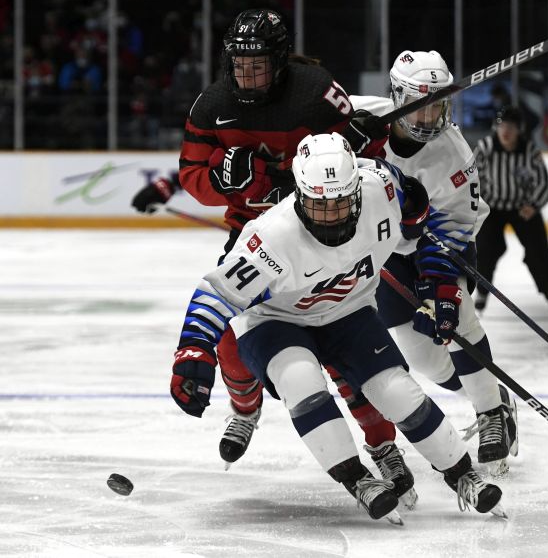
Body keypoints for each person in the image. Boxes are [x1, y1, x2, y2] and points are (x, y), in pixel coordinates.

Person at [130, 8, 414, 499]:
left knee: (341, 347)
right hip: (259, 241)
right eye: (240, 64)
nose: (248, 74)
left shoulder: (317, 90)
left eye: (258, 64)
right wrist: (224, 179)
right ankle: (245, 407)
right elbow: (195, 177)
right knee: (233, 343)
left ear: (280, 61)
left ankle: (382, 442)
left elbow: (364, 162)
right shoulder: (210, 105)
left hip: (330, 235)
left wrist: (369, 138)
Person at [169, 133, 504, 521]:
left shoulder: (383, 189)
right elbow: (216, 293)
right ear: (298, 194)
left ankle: (463, 474)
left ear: (358, 191)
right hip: (275, 321)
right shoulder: (272, 237)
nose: (331, 215)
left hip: (349, 310)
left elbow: (420, 218)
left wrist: (436, 277)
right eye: (318, 204)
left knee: (396, 390)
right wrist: (193, 348)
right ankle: (357, 478)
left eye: (341, 203)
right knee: (301, 381)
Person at [347, 50, 518, 473]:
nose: (428, 120)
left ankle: (491, 414)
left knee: (456, 316)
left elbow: (454, 232)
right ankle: (495, 394)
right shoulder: (363, 116)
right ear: (396, 97)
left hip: (439, 247)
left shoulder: (453, 156)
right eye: (419, 109)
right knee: (423, 358)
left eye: (437, 107)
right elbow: (309, 123)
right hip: (386, 252)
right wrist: (339, 132)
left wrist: (440, 291)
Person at [473, 105, 548, 316]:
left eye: (511, 127)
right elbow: (472, 180)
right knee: (485, 250)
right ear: (495, 127)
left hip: (522, 208)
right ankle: (481, 291)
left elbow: (543, 183)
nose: (505, 132)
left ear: (520, 130)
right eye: (502, 126)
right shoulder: (485, 147)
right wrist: (478, 204)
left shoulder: (530, 151)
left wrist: (534, 205)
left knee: (539, 252)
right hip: (491, 208)